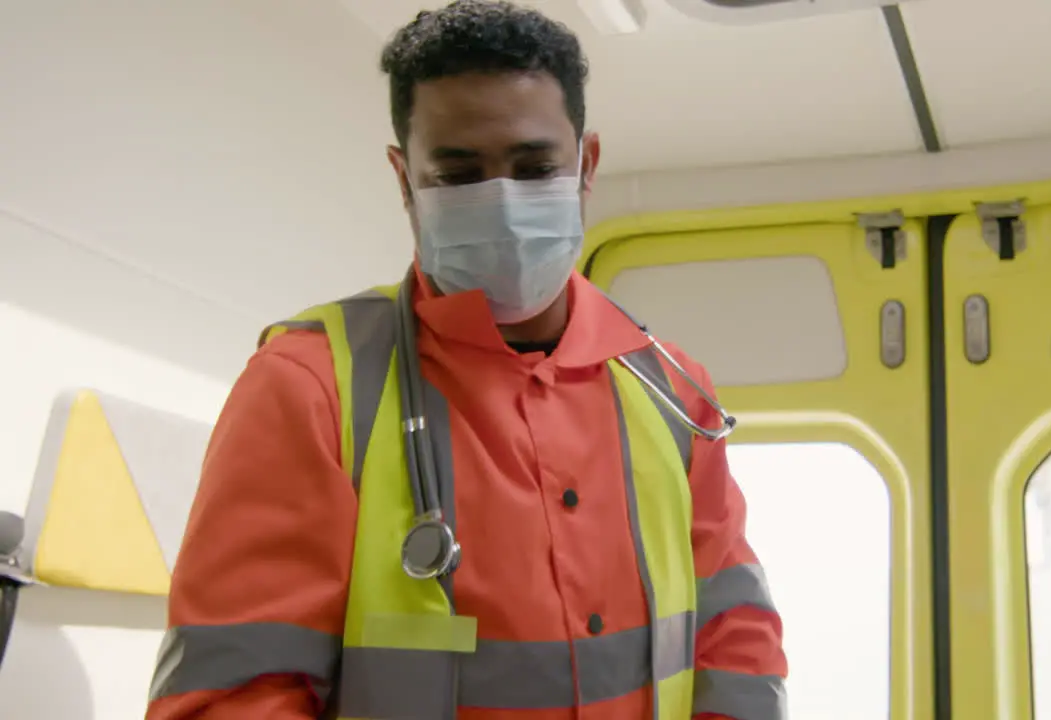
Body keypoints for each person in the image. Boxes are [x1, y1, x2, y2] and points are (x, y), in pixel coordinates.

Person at [144, 1, 786, 718]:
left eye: (534, 166)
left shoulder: (671, 391)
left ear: (587, 165)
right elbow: (234, 696)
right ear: (403, 179)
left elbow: (735, 639)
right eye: (459, 177)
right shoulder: (311, 387)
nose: (504, 206)